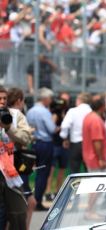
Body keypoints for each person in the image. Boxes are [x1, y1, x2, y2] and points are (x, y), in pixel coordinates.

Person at [0, 86, 32, 230]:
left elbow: (26, 138)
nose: (2, 102)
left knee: (18, 212)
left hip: (10, 170)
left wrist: (8, 128)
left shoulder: (15, 115)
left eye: (4, 99)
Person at [7, 87, 36, 229]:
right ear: (19, 100)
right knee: (25, 203)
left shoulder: (12, 114)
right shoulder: (16, 114)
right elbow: (25, 139)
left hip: (11, 164)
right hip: (12, 166)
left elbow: (24, 138)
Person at [27, 87, 57, 211]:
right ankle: (37, 201)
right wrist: (56, 122)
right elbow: (52, 129)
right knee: (43, 174)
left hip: (34, 143)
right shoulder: (44, 112)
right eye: (50, 98)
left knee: (38, 172)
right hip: (45, 143)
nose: (51, 101)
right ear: (45, 98)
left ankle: (34, 199)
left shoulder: (31, 110)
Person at [82, 94, 106, 220]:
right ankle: (90, 211)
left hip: (89, 155)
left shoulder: (89, 117)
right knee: (97, 186)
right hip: (95, 158)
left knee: (95, 185)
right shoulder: (95, 120)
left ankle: (90, 209)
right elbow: (97, 141)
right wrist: (101, 159)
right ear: (102, 106)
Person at [45, 92, 70, 202]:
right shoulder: (55, 112)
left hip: (64, 145)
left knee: (62, 170)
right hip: (55, 144)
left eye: (66, 100)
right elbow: (52, 127)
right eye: (63, 100)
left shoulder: (69, 112)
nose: (64, 102)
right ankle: (48, 192)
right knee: (51, 170)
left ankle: (58, 192)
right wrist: (61, 127)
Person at [59, 92, 92, 174]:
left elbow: (65, 126)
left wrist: (64, 138)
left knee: (74, 171)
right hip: (88, 144)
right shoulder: (92, 112)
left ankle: (74, 186)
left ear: (79, 100)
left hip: (75, 144)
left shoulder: (73, 111)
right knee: (89, 170)